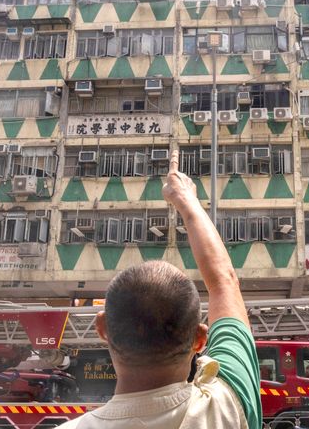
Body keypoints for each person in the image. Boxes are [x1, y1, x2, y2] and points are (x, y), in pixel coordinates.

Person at [58, 150, 261, 429]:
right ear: (200, 340)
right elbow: (224, 282)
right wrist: (186, 201)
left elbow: (223, 283)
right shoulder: (226, 409)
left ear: (103, 327)